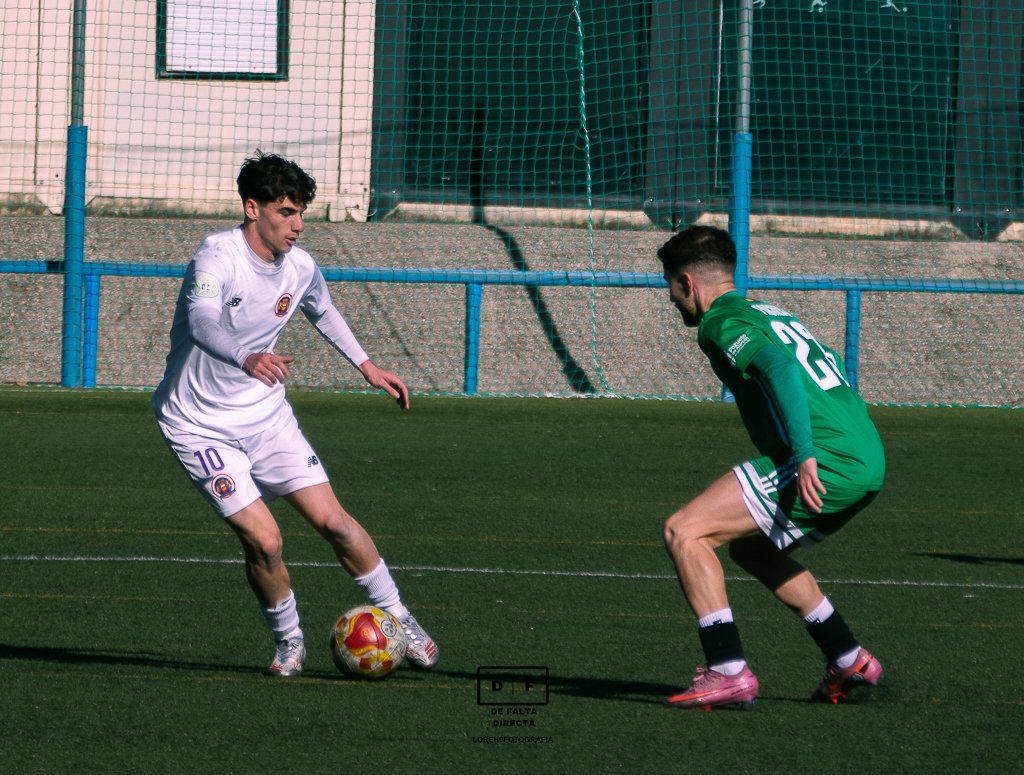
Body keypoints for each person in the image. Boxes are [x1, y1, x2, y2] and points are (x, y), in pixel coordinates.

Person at [153, 150, 438, 676]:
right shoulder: (216, 256)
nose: (298, 225)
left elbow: (322, 309)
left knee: (338, 526)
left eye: (302, 212)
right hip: (199, 426)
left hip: (266, 419)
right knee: (265, 540)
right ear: (251, 207)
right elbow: (200, 320)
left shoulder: (301, 267)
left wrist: (368, 366)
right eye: (286, 212)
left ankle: (400, 617)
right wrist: (247, 356)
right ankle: (289, 641)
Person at [656, 225, 884, 708]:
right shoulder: (770, 310)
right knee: (754, 551)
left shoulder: (721, 320)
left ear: (688, 283)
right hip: (866, 458)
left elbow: (778, 369)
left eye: (671, 286)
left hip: (825, 458)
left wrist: (804, 453)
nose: (672, 299)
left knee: (685, 531)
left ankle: (728, 671)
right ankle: (848, 659)